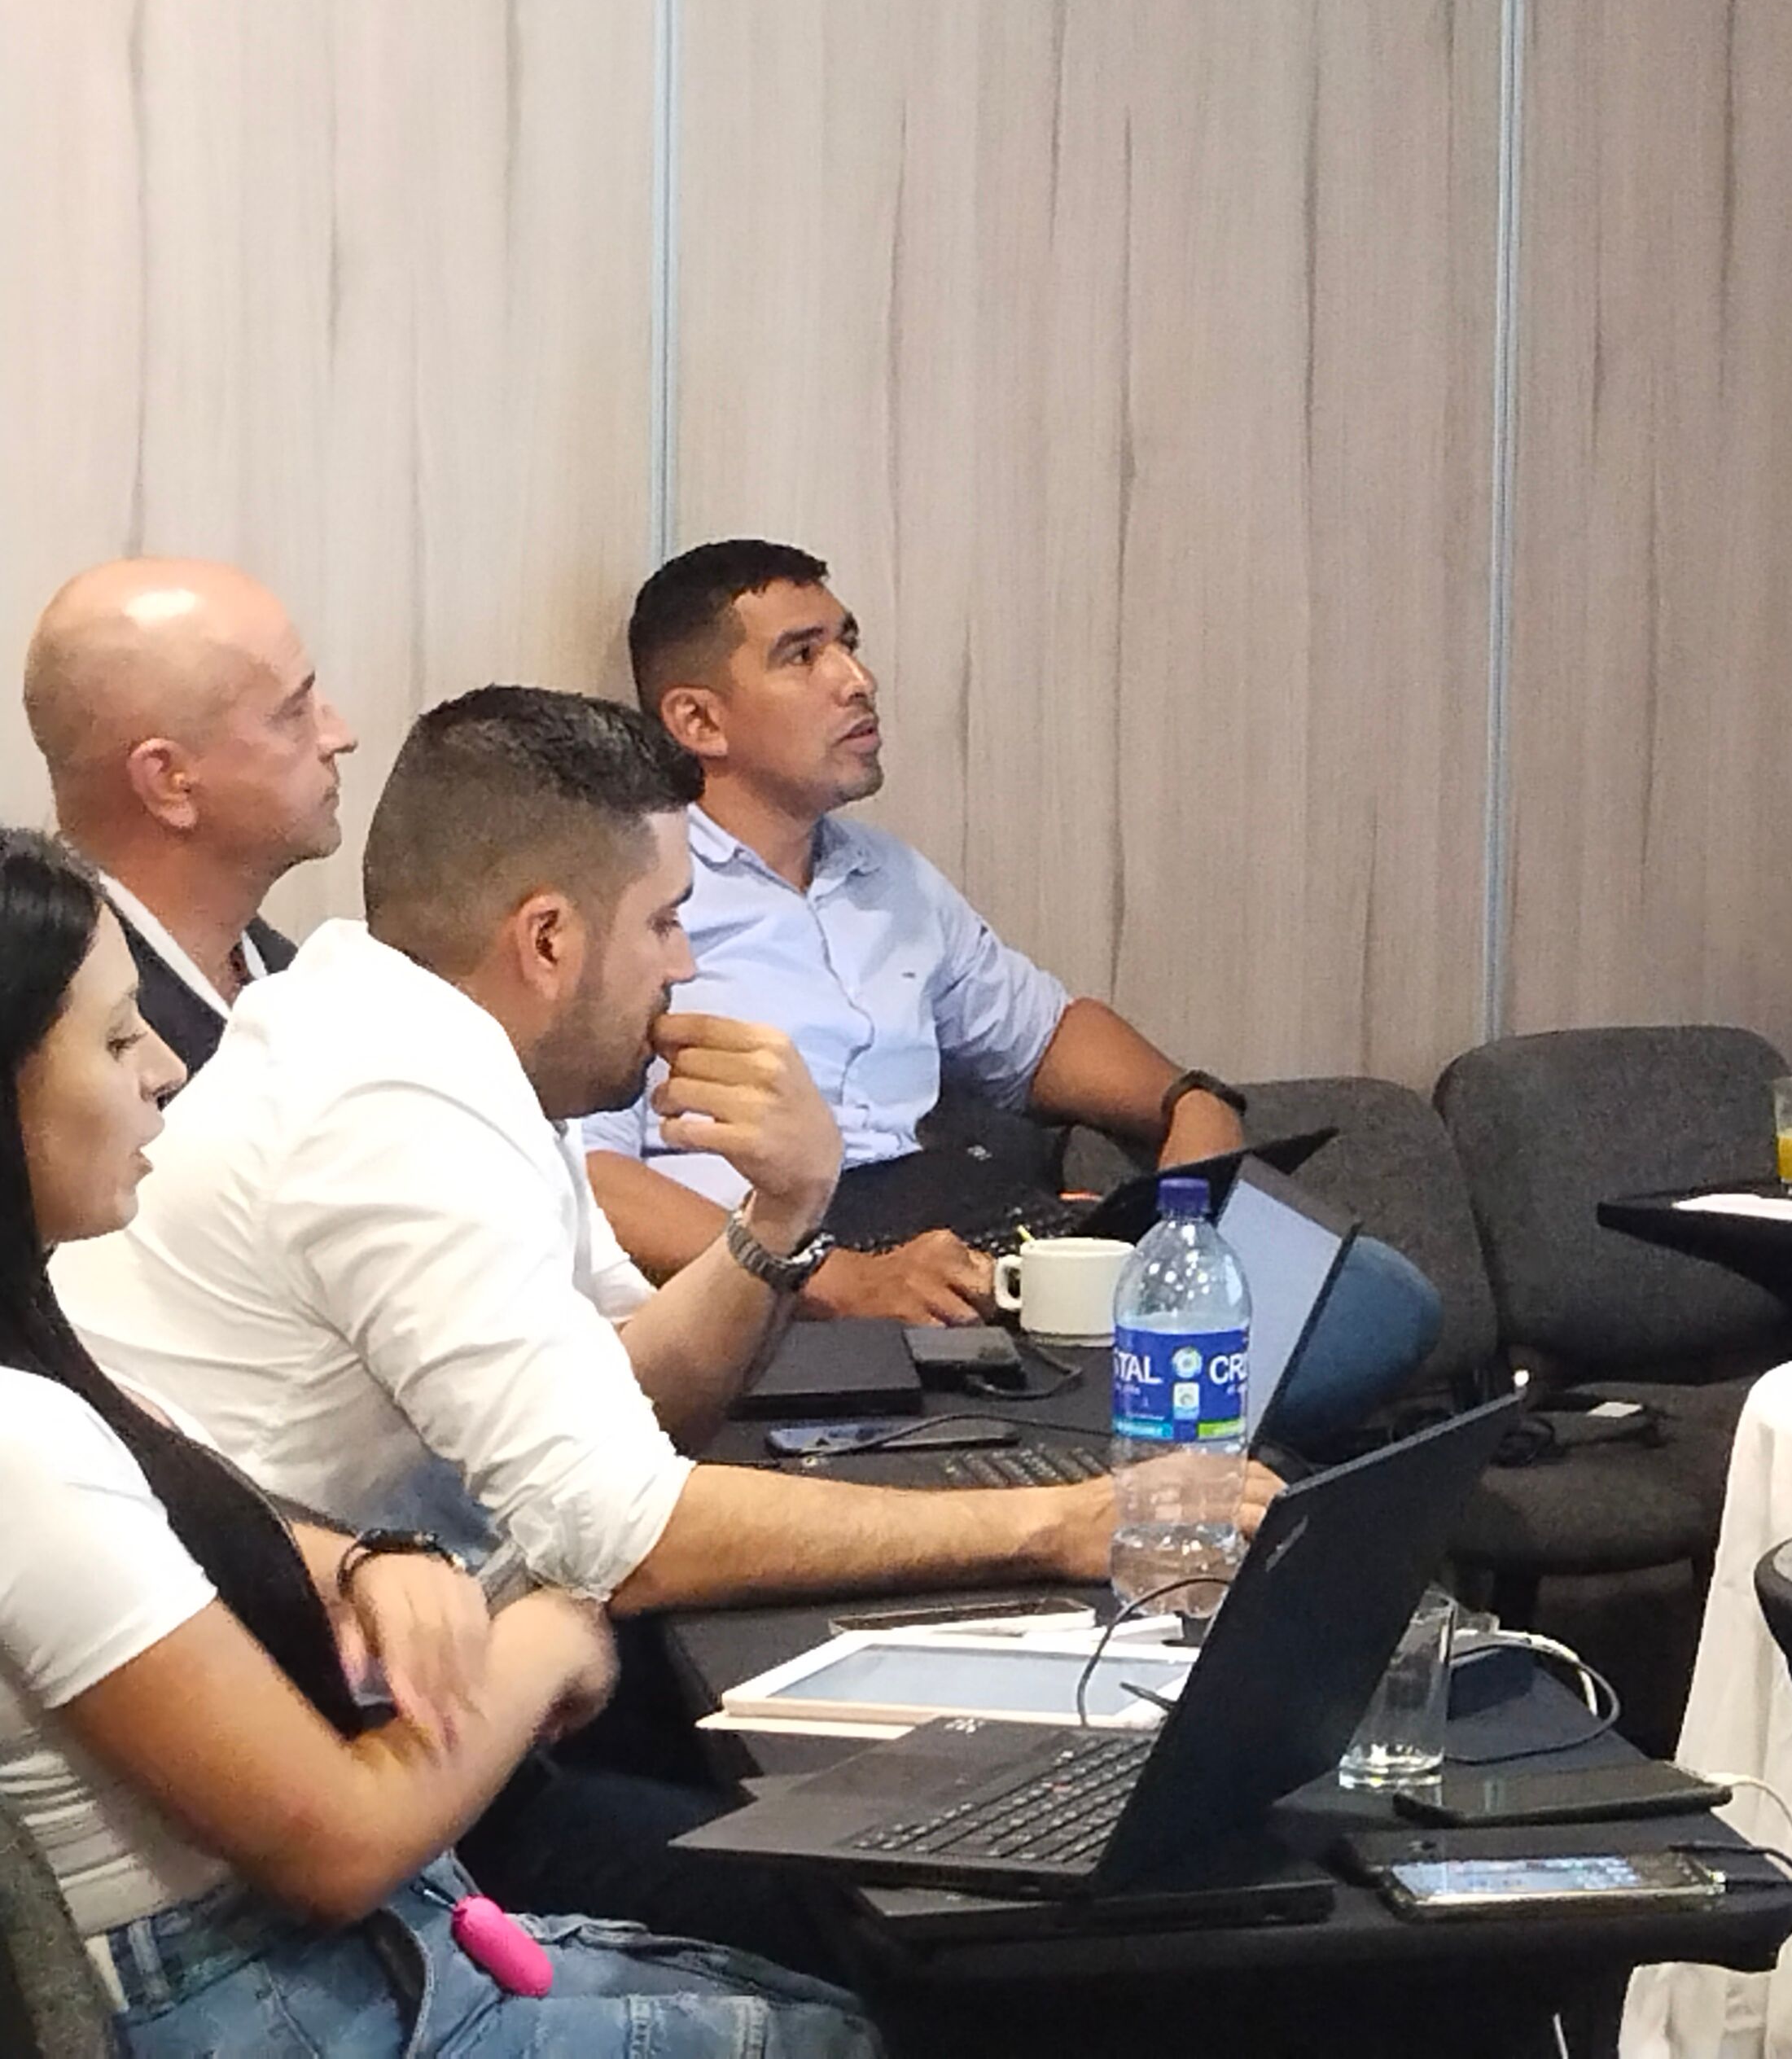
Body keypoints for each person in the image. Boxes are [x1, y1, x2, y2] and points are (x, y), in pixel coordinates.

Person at [50, 686, 1272, 1945]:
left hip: (426, 1693)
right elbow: (623, 1539)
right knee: (912, 1912)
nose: (683, 966)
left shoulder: (424, 1038)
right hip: (314, 1809)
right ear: (546, 939)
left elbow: (640, 1403)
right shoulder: (392, 1105)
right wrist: (1060, 1523)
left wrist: (784, 1213)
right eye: (665, 921)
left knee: (940, 1806)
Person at [0, 827, 876, 2056]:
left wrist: (370, 1559)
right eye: (111, 1040)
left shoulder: (41, 1360)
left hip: (305, 1947)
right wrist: (549, 1640)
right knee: (846, 2016)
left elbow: (177, 1505)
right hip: (258, 1989)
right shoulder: (23, 1447)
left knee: (823, 1988)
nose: (165, 1068)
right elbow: (339, 1847)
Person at [580, 541, 1247, 1325]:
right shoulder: (635, 895)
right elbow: (587, 1175)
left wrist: (1191, 1100)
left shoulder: (892, 877)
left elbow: (1043, 1036)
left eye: (848, 644)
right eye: (803, 656)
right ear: (699, 720)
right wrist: (837, 1281)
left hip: (935, 1224)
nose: (857, 680)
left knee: (1338, 1289)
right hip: (774, 1281)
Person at [21, 558, 359, 1074]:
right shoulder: (63, 1064)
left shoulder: (303, 989)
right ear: (169, 781)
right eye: (293, 712)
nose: (340, 736)